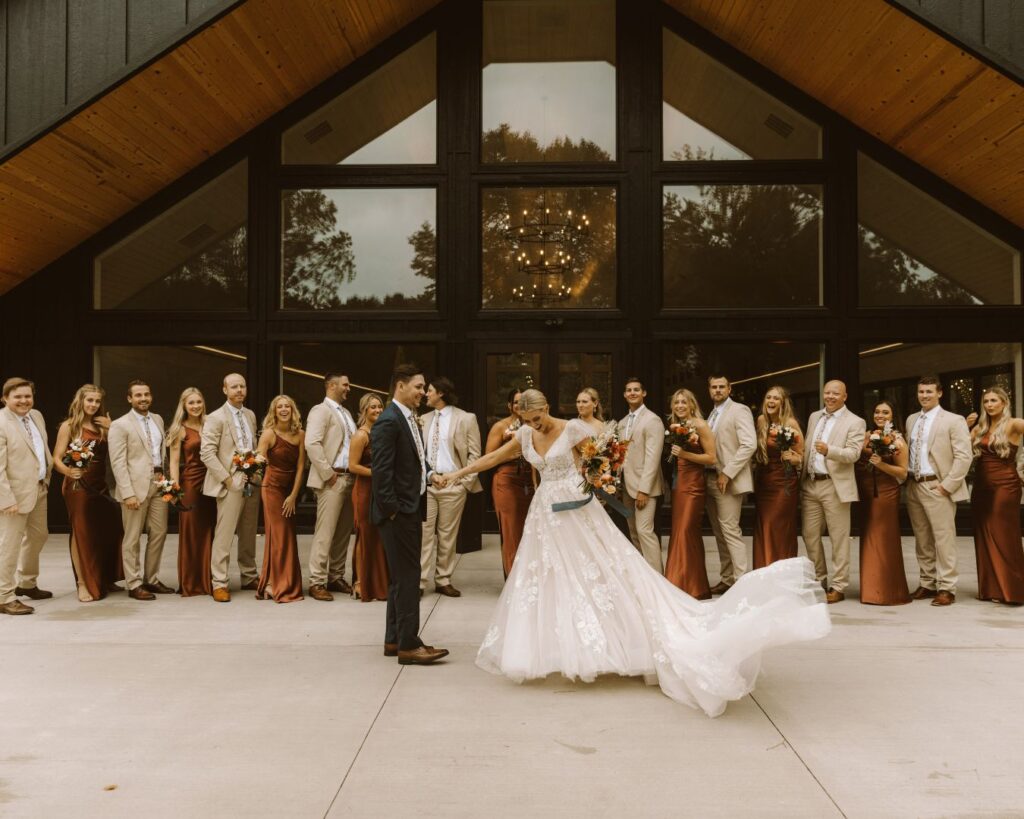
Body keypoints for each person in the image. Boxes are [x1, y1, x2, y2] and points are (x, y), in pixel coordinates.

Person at [441, 388, 830, 717]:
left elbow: (601, 459)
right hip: (546, 515)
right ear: (520, 416)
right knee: (548, 578)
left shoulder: (572, 427)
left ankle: (622, 642)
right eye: (530, 420)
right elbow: (492, 459)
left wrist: (595, 478)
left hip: (577, 509)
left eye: (540, 418)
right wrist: (456, 475)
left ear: (546, 409)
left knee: (606, 573)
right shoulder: (524, 436)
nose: (536, 426)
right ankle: (559, 648)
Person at [370, 364, 449, 666]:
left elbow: (416, 461)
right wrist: (394, 512)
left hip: (411, 509)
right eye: (418, 386)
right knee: (408, 577)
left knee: (400, 579)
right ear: (400, 386)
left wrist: (430, 476)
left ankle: (394, 640)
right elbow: (381, 474)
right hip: (399, 514)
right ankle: (409, 645)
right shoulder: (388, 421)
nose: (423, 392)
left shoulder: (409, 419)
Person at [904, 375, 972, 607]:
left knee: (944, 539)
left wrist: (947, 486)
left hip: (938, 485)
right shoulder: (912, 419)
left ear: (940, 393)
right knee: (922, 539)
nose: (924, 396)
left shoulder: (953, 420)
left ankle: (946, 587)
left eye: (929, 392)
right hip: (914, 484)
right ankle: (927, 582)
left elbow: (964, 456)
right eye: (921, 392)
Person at [52, 384, 123, 602]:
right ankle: (83, 583)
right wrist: (68, 471)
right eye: (89, 400)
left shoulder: (102, 425)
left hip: (100, 485)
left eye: (97, 401)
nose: (93, 405)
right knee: (81, 532)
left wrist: (113, 428)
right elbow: (56, 459)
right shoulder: (70, 426)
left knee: (107, 530)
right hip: (78, 486)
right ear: (80, 401)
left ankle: (104, 577)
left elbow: (121, 449)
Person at [800, 380, 866, 603]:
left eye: (835, 393)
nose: (830, 396)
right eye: (827, 392)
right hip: (810, 484)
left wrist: (830, 450)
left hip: (834, 485)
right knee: (810, 536)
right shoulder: (814, 417)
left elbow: (853, 454)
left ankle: (838, 585)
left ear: (844, 396)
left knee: (839, 538)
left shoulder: (855, 422)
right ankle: (819, 580)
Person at [108, 380, 172, 600]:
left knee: (159, 533)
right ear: (129, 398)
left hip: (158, 484)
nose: (143, 398)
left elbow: (161, 453)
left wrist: (166, 481)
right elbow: (118, 462)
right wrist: (127, 492)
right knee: (132, 537)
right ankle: (133, 583)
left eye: (146, 394)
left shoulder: (158, 419)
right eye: (138, 395)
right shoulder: (120, 424)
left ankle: (151, 579)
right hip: (134, 488)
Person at [420, 376, 482, 597]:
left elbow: (475, 454)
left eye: (430, 390)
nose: (426, 394)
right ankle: (419, 581)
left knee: (447, 535)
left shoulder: (465, 418)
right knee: (424, 534)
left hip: (453, 484)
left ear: (441, 394)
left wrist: (464, 483)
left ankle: (443, 579)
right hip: (428, 484)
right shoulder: (423, 419)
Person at [200, 373, 260, 602]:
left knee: (248, 532)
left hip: (252, 480)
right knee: (224, 535)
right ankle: (220, 582)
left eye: (242, 386)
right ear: (224, 389)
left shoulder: (250, 414)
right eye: (234, 387)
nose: (239, 390)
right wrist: (227, 480)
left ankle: (248, 575)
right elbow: (207, 453)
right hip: (230, 482)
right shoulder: (215, 418)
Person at [0, 377, 53, 615]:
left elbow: (41, 450)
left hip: (39, 488)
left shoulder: (37, 416)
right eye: (18, 397)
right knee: (8, 546)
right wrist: (6, 498)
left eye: (27, 396)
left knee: (38, 536)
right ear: (5, 399)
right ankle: (4, 596)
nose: (24, 401)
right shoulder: (1, 423)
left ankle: (27, 583)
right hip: (14, 496)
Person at [304, 372, 356, 601]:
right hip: (332, 479)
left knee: (344, 532)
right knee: (325, 533)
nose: (348, 388)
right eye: (345, 384)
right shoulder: (320, 411)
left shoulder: (345, 413)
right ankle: (316, 581)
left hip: (350, 478)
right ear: (332, 385)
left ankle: (335, 575)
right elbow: (312, 444)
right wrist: (328, 474)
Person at [969, 387, 1024, 605]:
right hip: (981, 486)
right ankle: (991, 589)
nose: (989, 405)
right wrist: (965, 426)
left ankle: (1013, 589)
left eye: (994, 400)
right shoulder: (980, 428)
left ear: (1004, 402)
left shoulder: (1014, 423)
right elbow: (960, 449)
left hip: (1006, 485)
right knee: (984, 534)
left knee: (1004, 535)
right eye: (986, 401)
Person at [854, 400, 910, 605]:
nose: (880, 415)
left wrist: (881, 465)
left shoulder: (897, 439)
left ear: (892, 416)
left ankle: (886, 590)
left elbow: (903, 473)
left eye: (885, 412)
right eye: (877, 411)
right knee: (868, 536)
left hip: (885, 492)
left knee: (883, 538)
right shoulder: (866, 435)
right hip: (865, 491)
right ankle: (869, 588)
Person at [704, 375, 756, 593]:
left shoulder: (739, 410)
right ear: (709, 390)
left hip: (728, 480)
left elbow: (749, 444)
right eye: (714, 387)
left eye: (721, 387)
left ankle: (742, 582)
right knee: (719, 531)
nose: (717, 390)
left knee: (730, 530)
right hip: (709, 478)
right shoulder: (712, 414)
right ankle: (727, 579)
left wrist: (727, 472)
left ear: (729, 388)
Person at [664, 388, 715, 598]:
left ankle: (692, 586)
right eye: (676, 403)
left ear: (692, 404)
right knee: (679, 531)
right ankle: (681, 582)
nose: (680, 406)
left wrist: (684, 454)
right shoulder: (675, 426)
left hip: (694, 484)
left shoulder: (701, 425)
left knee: (686, 530)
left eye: (684, 402)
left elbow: (711, 458)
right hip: (679, 484)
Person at [255, 395, 305, 603]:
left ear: (293, 410)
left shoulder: (300, 434)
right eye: (279, 407)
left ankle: (273, 582)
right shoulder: (269, 434)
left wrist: (294, 495)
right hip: (271, 488)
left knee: (287, 535)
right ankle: (273, 584)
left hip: (289, 490)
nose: (284, 410)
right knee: (278, 535)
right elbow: (258, 460)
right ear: (274, 412)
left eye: (287, 406)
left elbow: (301, 466)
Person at [166, 388, 215, 597]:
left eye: (199, 402)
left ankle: (209, 580)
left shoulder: (211, 423)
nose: (196, 406)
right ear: (184, 406)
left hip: (213, 483)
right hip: (191, 485)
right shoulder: (179, 429)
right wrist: (174, 490)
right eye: (191, 403)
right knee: (192, 534)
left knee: (210, 532)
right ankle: (191, 582)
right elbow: (175, 462)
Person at [616, 378, 667, 572]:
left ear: (643, 393)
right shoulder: (622, 423)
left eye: (636, 390)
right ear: (624, 394)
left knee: (645, 530)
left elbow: (653, 458)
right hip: (626, 486)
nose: (632, 393)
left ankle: (657, 578)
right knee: (634, 532)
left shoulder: (652, 420)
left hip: (645, 488)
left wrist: (644, 490)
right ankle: (643, 575)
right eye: (628, 390)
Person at [752, 386, 803, 569]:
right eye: (768, 398)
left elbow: (801, 456)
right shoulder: (760, 421)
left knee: (777, 527)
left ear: (783, 403)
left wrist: (792, 458)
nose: (771, 401)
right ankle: (763, 571)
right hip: (764, 481)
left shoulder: (790, 424)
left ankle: (781, 572)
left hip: (784, 482)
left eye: (776, 399)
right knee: (763, 526)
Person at [485, 389, 534, 578]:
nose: (519, 406)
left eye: (523, 402)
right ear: (509, 406)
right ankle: (513, 580)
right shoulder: (500, 426)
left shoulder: (533, 424)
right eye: (516, 402)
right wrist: (508, 448)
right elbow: (488, 457)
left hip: (530, 481)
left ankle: (529, 578)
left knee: (530, 530)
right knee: (511, 531)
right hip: (507, 481)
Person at [348, 393, 389, 602]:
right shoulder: (361, 435)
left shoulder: (381, 432)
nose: (377, 410)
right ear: (364, 410)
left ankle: (378, 582)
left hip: (380, 490)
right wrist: (376, 473)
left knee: (379, 536)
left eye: (380, 407)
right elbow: (352, 465)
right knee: (365, 535)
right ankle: (360, 583)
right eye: (372, 407)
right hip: (364, 490)